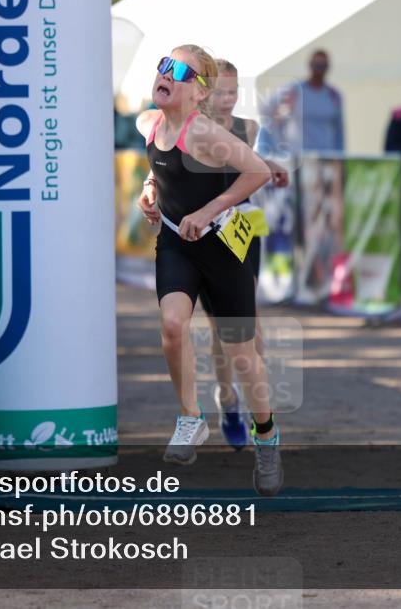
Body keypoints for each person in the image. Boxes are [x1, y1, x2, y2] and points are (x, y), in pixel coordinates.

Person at [134, 45, 281, 496]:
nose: (166, 73)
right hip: (177, 241)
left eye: (178, 71)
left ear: (199, 94)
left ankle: (267, 435)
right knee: (173, 324)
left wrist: (210, 209)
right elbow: (161, 171)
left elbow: (257, 172)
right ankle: (191, 418)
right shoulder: (148, 123)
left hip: (221, 246)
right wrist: (148, 189)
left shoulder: (204, 135)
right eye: (163, 64)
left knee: (242, 355)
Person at [264, 49, 345, 156]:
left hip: (326, 158)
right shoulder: (295, 89)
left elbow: (339, 132)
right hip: (298, 157)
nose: (319, 70)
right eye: (317, 65)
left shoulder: (334, 95)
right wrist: (278, 137)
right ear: (310, 65)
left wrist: (340, 157)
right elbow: (266, 108)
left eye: (323, 66)